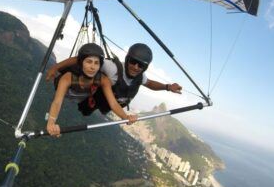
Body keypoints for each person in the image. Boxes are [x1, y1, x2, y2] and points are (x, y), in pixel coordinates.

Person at [46, 43, 182, 116]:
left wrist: (167, 87)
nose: (135, 67)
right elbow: (83, 58)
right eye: (133, 62)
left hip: (108, 103)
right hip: (94, 97)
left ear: (144, 67)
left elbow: (150, 83)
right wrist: (55, 68)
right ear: (128, 59)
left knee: (91, 111)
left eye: (140, 65)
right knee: (84, 111)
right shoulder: (112, 68)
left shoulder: (140, 77)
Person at [46, 43, 137, 136]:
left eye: (96, 63)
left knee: (89, 107)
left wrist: (125, 117)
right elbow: (57, 102)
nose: (92, 67)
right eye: (89, 62)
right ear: (81, 63)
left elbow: (113, 103)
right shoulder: (68, 77)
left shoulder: (103, 80)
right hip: (68, 93)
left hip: (82, 99)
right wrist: (51, 122)